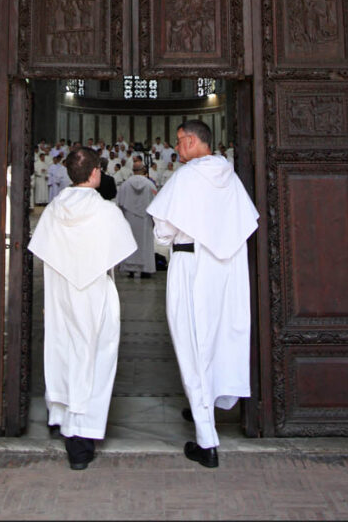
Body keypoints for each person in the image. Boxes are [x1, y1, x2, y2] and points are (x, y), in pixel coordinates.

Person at [146, 119, 258, 469]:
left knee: (192, 342)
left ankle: (207, 441)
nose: (177, 149)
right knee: (222, 337)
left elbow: (163, 231)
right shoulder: (230, 175)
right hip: (228, 269)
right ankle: (205, 402)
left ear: (193, 141)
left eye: (180, 142)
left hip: (192, 265)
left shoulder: (187, 177)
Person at [28, 147, 136, 470]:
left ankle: (60, 414)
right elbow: (120, 252)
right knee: (94, 358)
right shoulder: (106, 212)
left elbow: (44, 250)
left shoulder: (53, 210)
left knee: (63, 353)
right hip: (95, 292)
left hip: (61, 294)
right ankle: (80, 436)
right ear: (94, 174)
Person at [116, 162, 157, 278]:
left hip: (130, 219)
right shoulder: (150, 185)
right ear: (143, 170)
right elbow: (156, 202)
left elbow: (120, 203)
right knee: (145, 244)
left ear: (133, 170)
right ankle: (145, 269)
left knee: (131, 242)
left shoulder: (125, 185)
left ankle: (131, 269)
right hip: (145, 218)